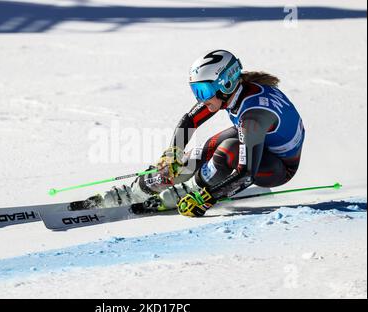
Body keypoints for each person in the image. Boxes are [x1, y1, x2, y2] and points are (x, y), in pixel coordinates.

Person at [102, 49, 305, 217]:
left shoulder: (252, 117)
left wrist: (206, 199)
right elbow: (190, 120)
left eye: (204, 91)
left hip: (278, 167)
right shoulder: (234, 92)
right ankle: (143, 187)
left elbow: (246, 174)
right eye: (196, 91)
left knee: (229, 150)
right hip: (258, 141)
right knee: (207, 149)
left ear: (226, 84)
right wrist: (174, 152)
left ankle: (188, 190)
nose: (201, 98)